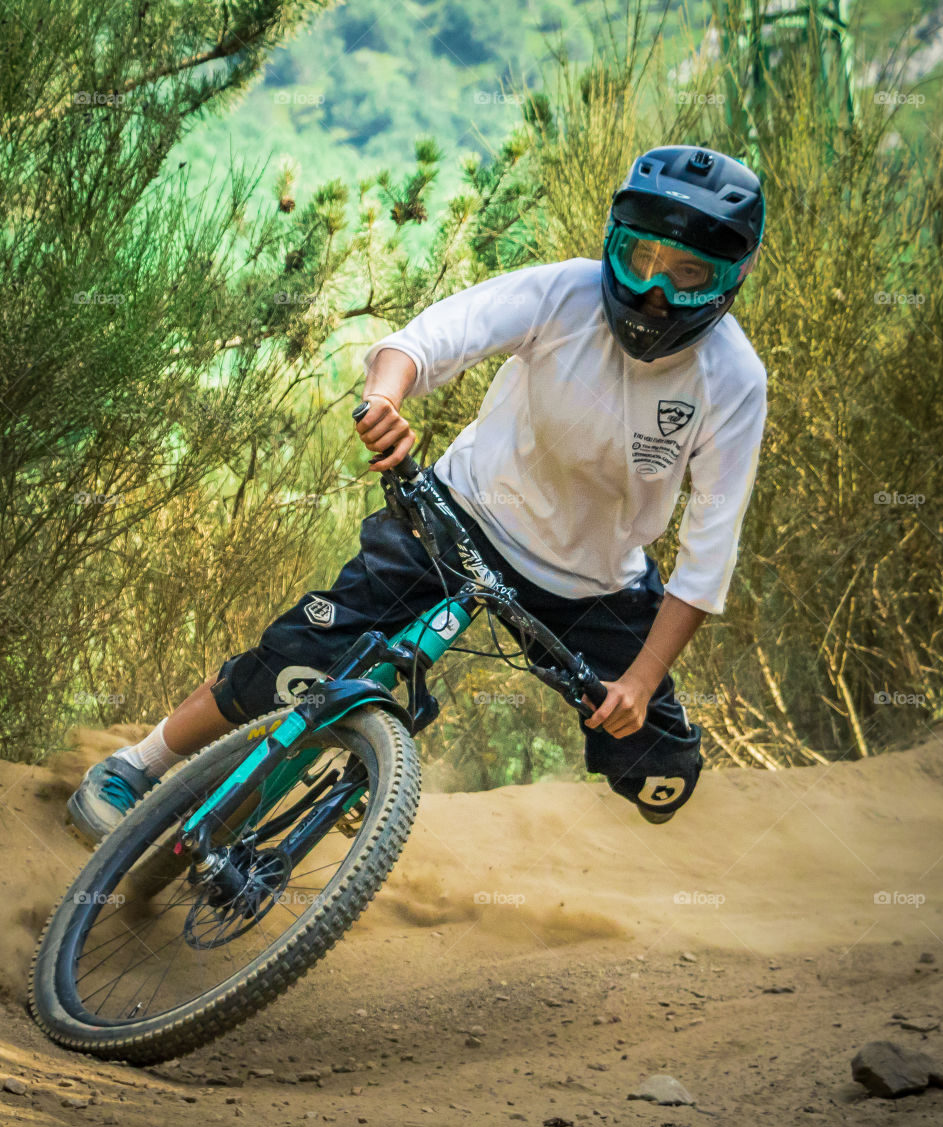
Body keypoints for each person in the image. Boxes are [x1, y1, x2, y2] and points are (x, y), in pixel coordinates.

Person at [68, 144, 767, 846]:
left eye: (687, 274)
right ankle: (138, 764)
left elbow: (708, 554)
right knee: (292, 663)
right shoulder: (565, 293)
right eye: (641, 259)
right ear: (614, 247)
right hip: (459, 521)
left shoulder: (732, 378)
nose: (656, 292)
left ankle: (349, 778)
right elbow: (428, 341)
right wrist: (383, 401)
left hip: (593, 585)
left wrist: (642, 682)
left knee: (661, 772)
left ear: (727, 280)